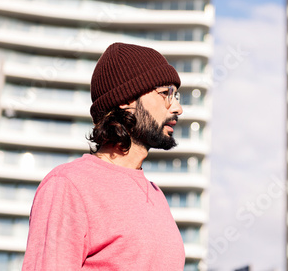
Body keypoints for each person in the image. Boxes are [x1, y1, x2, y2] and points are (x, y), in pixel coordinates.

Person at [22, 42, 186, 270]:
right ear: (125, 100)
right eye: (165, 94)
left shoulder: (157, 196)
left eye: (177, 95)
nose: (177, 107)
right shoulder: (69, 185)